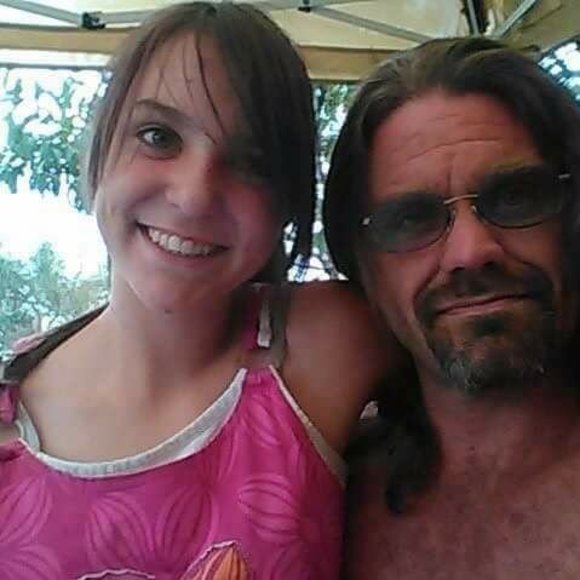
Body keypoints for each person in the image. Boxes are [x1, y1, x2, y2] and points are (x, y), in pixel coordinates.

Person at [0, 3, 391, 577]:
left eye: (251, 162)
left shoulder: (330, 343)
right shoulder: (9, 430)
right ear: (99, 145)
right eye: (158, 136)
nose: (194, 196)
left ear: (286, 201)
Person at [324, 37, 580, 579]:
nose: (470, 252)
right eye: (411, 219)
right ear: (363, 267)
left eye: (514, 198)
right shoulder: (316, 496)